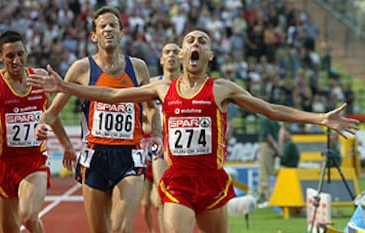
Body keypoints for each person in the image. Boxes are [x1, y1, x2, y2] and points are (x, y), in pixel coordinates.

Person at [27, 30, 359, 233]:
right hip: (178, 182)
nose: (195, 43)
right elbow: (113, 94)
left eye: (202, 40)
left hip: (212, 181)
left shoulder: (221, 89)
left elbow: (271, 109)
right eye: (189, 40)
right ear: (183, 54)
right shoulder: (161, 89)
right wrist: (65, 86)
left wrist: (320, 119)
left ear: (209, 55)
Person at [33, 6, 162, 233]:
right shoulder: (82, 69)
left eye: (113, 25)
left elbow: (152, 108)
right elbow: (53, 112)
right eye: (103, 26)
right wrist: (42, 124)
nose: (108, 29)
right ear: (94, 36)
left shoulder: (138, 68)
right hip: (95, 156)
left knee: (121, 229)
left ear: (122, 33)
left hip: (129, 155)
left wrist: (158, 135)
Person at [0, 30, 76, 233]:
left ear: (27, 51)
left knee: (29, 217)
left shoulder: (39, 78)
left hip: (33, 162)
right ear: (0, 56)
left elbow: (52, 114)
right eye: (10, 56)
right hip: (4, 164)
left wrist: (67, 145)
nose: (16, 60)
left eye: (20, 54)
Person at [141, 42, 182, 233]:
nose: (171, 55)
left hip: (184, 147)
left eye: (175, 52)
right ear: (162, 59)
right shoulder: (151, 84)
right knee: (162, 196)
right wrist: (153, 126)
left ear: (182, 57)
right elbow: (140, 117)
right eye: (167, 52)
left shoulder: (189, 83)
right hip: (160, 145)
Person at [257, 115, 281, 206]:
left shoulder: (265, 120)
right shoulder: (275, 120)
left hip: (266, 146)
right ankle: (263, 194)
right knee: (269, 170)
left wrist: (276, 147)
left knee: (264, 172)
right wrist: (277, 148)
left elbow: (267, 136)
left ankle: (268, 197)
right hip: (272, 147)